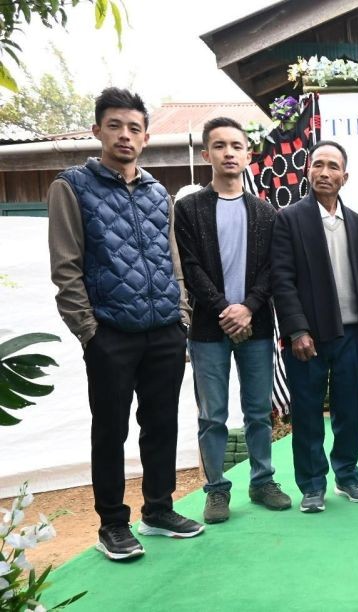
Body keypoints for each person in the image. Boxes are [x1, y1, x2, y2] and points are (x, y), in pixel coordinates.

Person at [47, 87, 204, 562]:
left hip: (163, 331)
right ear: (97, 131)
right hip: (110, 334)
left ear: (147, 137)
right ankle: (113, 524)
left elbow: (173, 259)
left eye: (134, 128)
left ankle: (158, 510)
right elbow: (65, 267)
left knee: (161, 426)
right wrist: (89, 333)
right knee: (110, 431)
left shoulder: (160, 193)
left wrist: (181, 316)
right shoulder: (71, 186)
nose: (125, 135)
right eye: (115, 125)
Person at [174, 117, 291, 524]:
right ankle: (217, 490)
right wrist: (226, 309)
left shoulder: (265, 211)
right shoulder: (189, 208)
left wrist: (248, 308)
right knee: (213, 415)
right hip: (209, 329)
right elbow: (190, 266)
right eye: (219, 146)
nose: (228, 153)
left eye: (236, 146)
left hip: (256, 327)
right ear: (207, 154)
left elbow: (273, 270)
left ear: (248, 154)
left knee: (258, 411)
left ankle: (262, 482)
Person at [270, 140, 358, 513]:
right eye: (318, 165)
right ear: (308, 170)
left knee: (350, 411)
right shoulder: (289, 219)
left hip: (352, 335)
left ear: (344, 176)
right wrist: (297, 330)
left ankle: (348, 476)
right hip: (308, 339)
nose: (325, 173)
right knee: (306, 412)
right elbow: (282, 280)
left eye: (333, 167)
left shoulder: (355, 221)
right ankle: (312, 485)